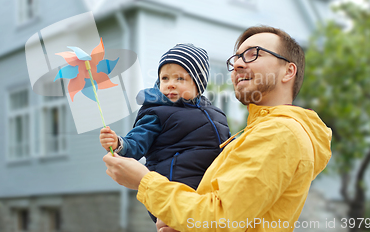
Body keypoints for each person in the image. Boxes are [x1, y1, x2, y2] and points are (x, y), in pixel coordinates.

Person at [103, 26, 332, 232]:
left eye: (254, 54)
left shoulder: (278, 133)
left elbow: (221, 219)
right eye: (236, 59)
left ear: (288, 71)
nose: (239, 64)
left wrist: (144, 181)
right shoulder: (255, 131)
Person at [100, 43, 230, 222]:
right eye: (165, 78)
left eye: (179, 79)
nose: (170, 84)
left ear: (198, 84)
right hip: (172, 188)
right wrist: (119, 143)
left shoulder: (215, 112)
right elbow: (136, 142)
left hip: (210, 191)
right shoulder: (157, 112)